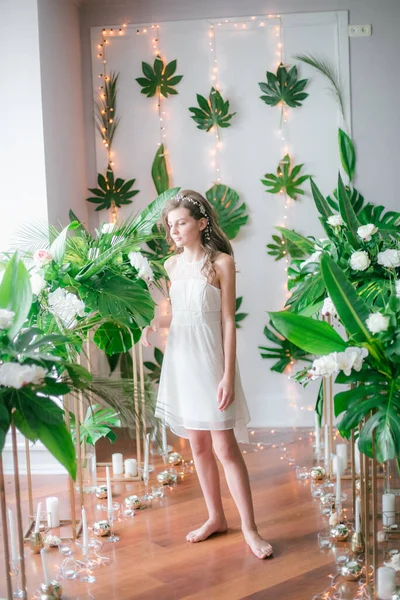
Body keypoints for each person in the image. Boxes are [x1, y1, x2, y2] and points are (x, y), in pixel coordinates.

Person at [142, 190, 273, 559]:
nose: (174, 230)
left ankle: (250, 528)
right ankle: (216, 517)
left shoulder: (221, 263)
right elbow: (180, 315)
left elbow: (227, 321)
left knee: (224, 446)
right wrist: (152, 326)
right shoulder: (171, 267)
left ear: (201, 223)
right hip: (181, 362)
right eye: (170, 225)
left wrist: (228, 376)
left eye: (181, 222)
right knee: (197, 445)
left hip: (211, 362)